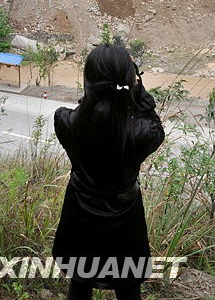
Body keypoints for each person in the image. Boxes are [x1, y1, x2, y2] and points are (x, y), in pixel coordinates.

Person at [52, 44, 165, 300]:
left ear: (88, 81)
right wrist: (135, 85)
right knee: (128, 288)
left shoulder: (65, 122)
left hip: (79, 214)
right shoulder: (141, 135)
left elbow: (87, 109)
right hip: (125, 220)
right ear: (129, 82)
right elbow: (153, 120)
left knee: (79, 284)